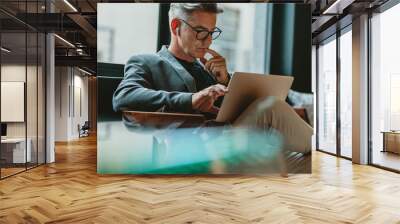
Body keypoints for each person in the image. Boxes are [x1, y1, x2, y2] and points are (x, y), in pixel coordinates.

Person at [113, 3, 312, 154]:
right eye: (200, 32)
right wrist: (191, 100)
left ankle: (316, 149)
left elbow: (230, 111)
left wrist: (226, 81)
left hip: (231, 137)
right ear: (176, 27)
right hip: (198, 145)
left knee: (275, 114)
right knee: (271, 108)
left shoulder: (209, 70)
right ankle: (318, 147)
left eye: (211, 32)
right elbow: (124, 96)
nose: (207, 40)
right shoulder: (146, 62)